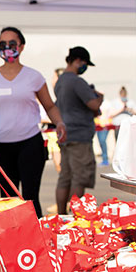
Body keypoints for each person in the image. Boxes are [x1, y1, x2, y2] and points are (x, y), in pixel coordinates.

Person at [0, 27, 65, 217]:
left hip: (30, 144)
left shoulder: (33, 76)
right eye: (3, 44)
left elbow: (50, 106)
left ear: (22, 46)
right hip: (2, 148)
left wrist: (59, 123)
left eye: (12, 43)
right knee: (7, 200)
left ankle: (36, 242)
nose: (7, 48)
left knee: (30, 198)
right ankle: (11, 243)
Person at [55, 47, 103, 215]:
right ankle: (76, 216)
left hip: (66, 136)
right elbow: (94, 105)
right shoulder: (76, 82)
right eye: (84, 64)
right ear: (78, 61)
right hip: (80, 138)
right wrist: (99, 97)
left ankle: (61, 216)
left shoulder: (60, 81)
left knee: (65, 178)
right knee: (79, 179)